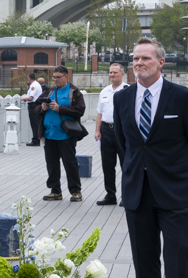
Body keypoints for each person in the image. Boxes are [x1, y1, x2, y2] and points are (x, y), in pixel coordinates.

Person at [113, 38, 188, 278]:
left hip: (173, 191)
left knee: (177, 256)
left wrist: (174, 169)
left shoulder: (181, 97)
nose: (139, 63)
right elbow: (124, 144)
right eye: (135, 58)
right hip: (137, 191)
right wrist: (136, 170)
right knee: (144, 257)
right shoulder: (122, 98)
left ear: (160, 62)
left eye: (145, 58)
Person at [35, 65, 85, 202]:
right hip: (49, 134)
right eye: (54, 77)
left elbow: (80, 110)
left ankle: (75, 191)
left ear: (66, 76)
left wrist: (60, 108)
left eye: (58, 77)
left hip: (66, 135)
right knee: (51, 163)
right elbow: (35, 107)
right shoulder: (49, 91)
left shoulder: (74, 92)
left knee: (70, 163)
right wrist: (42, 108)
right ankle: (55, 191)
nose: (55, 80)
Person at [93, 63, 128, 205]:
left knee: (126, 165)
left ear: (122, 74)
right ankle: (110, 195)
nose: (112, 75)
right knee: (107, 165)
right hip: (106, 130)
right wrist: (97, 131)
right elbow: (99, 113)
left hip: (122, 131)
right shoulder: (105, 91)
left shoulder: (128, 90)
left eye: (115, 72)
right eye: (110, 72)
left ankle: (126, 196)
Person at [20, 73, 43, 146]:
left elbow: (31, 98)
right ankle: (37, 138)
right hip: (36, 105)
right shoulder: (36, 84)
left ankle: (36, 140)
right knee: (36, 122)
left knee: (34, 123)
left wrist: (24, 98)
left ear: (29, 78)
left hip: (33, 105)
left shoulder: (33, 86)